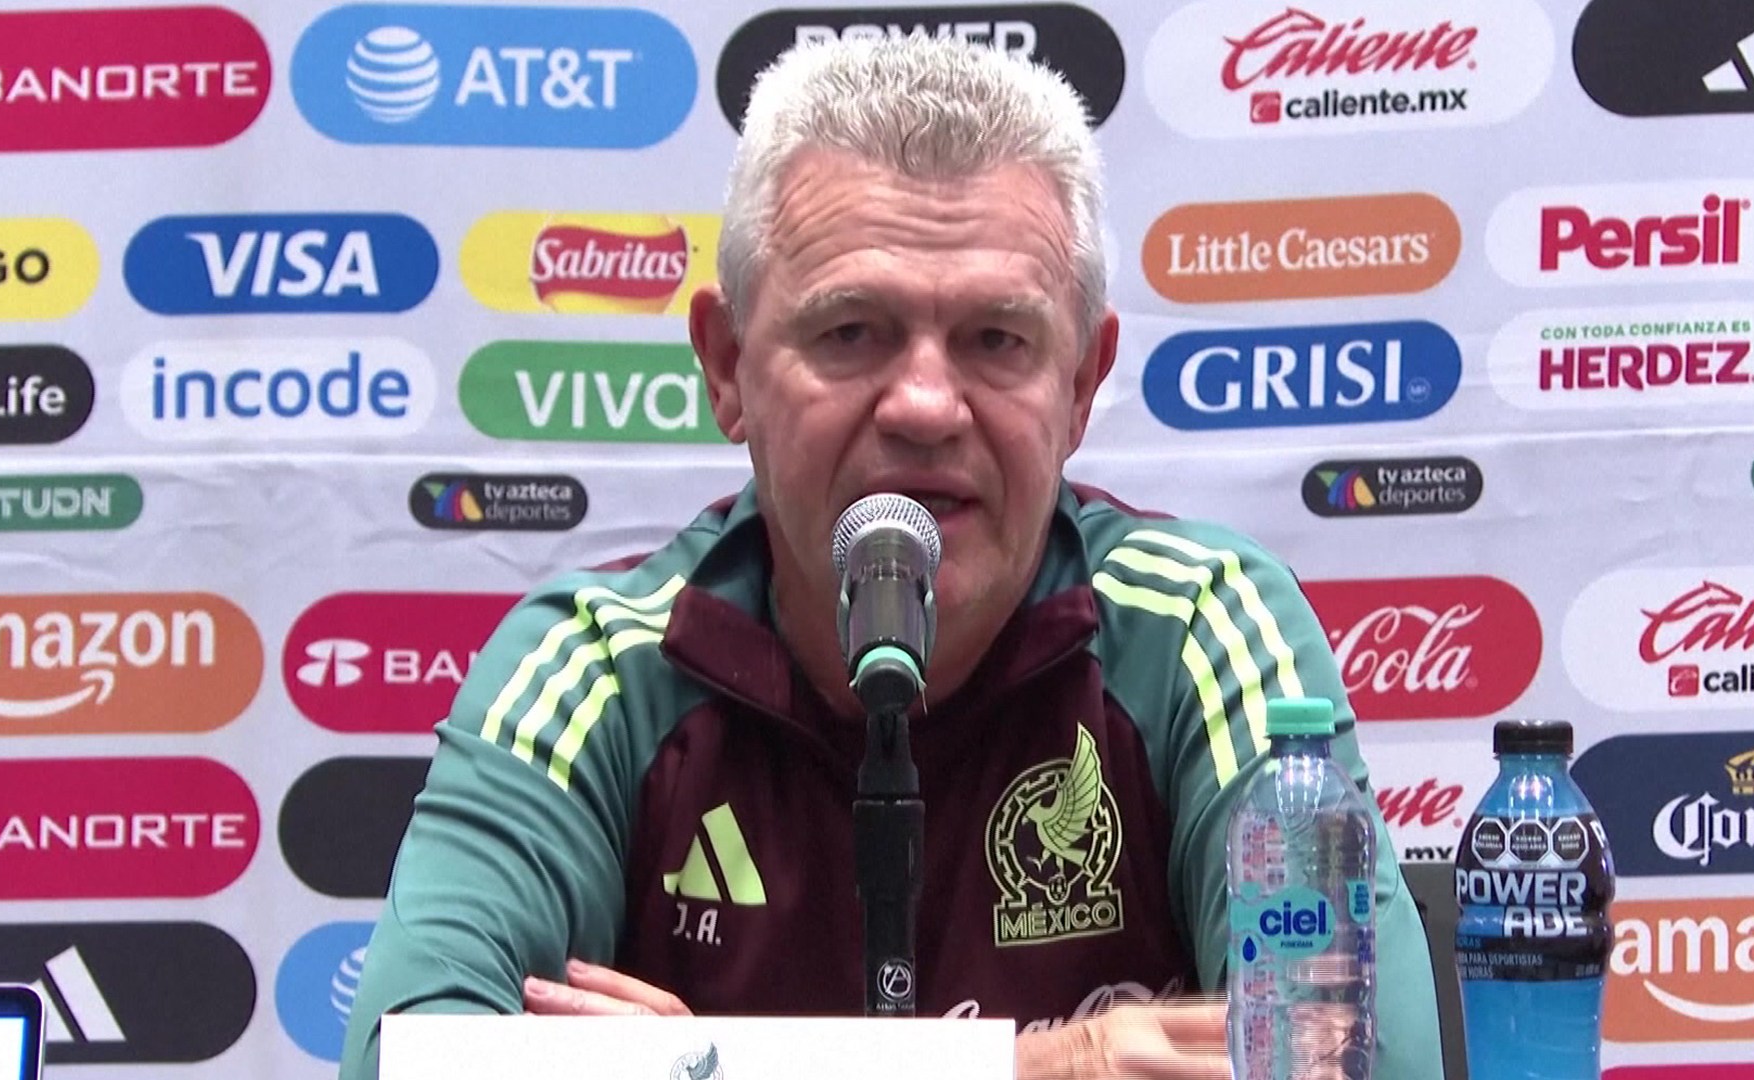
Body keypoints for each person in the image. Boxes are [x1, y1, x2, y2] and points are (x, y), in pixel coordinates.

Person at [341, 35, 1445, 1080]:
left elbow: (1355, 1058)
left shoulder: (1202, 623)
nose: (924, 404)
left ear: (1080, 385)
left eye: (996, 339)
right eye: (850, 332)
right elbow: (407, 1058)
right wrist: (1038, 1066)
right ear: (726, 366)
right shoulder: (596, 666)